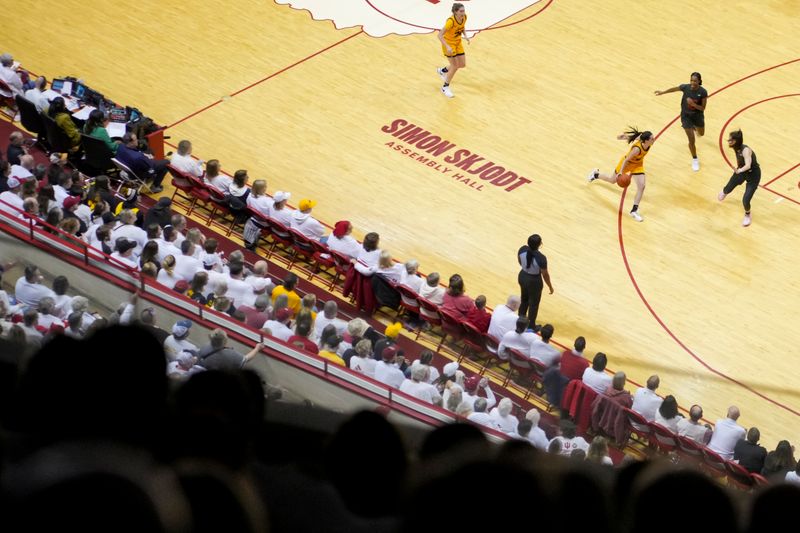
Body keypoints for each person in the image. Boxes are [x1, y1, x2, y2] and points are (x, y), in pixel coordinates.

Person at [587, 127, 655, 222]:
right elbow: (626, 160)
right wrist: (620, 173)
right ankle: (595, 175)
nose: (654, 139)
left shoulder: (644, 140)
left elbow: (636, 137)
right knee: (612, 180)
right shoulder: (637, 149)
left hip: (637, 165)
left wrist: (624, 137)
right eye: (652, 138)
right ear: (646, 141)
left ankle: (634, 211)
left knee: (642, 186)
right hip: (626, 164)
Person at [654, 72, 708, 171]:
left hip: (697, 116)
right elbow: (674, 89)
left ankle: (695, 128)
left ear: (699, 81)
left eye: (695, 81)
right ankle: (695, 159)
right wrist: (662, 92)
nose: (692, 82)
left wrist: (693, 104)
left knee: (701, 134)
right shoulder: (685, 87)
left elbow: (703, 108)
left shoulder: (703, 92)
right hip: (686, 116)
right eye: (691, 80)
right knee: (691, 140)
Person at [718, 129, 760, 227]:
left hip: (753, 175)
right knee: (727, 188)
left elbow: (748, 165)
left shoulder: (746, 150)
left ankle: (747, 214)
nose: (728, 141)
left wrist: (739, 171)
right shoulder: (735, 147)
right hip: (741, 171)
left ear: (737, 141)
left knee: (745, 200)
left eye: (731, 140)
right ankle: (725, 192)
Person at [516, 234, 553, 326]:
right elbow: (545, 274)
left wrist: (526, 268)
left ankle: (520, 320)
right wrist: (550, 286)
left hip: (522, 276)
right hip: (534, 281)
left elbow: (520, 261)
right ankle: (531, 325)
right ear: (539, 244)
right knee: (533, 304)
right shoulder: (541, 258)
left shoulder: (522, 249)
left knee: (524, 299)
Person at [436, 3, 470, 98]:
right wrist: (447, 46)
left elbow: (462, 27)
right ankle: (445, 87)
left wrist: (466, 36)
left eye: (463, 11)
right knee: (455, 66)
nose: (463, 13)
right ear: (455, 12)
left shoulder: (464, 17)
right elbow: (439, 35)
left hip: (458, 43)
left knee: (462, 64)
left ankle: (442, 70)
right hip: (449, 44)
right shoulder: (450, 21)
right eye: (461, 11)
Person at [196, 329, 262, 371]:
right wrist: (257, 348)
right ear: (225, 341)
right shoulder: (231, 354)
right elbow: (246, 359)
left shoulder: (205, 346)